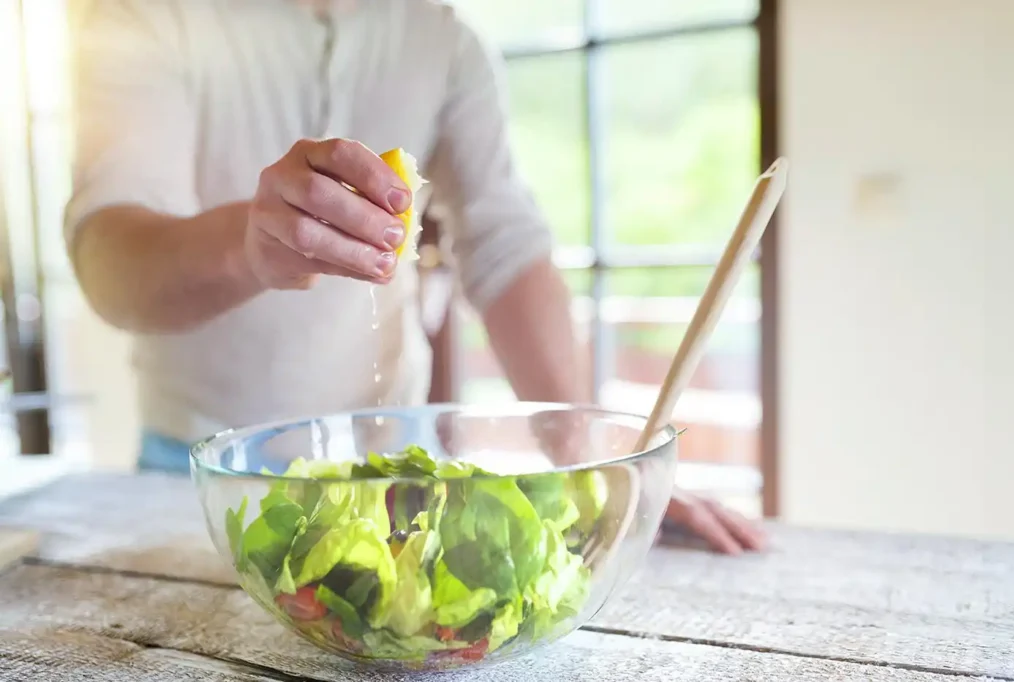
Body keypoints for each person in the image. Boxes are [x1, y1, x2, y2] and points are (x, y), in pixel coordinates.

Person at [66, 0, 764, 556]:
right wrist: (251, 245)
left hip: (395, 476)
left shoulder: (441, 39)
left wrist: (592, 466)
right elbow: (107, 260)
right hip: (198, 484)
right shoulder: (138, 14)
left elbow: (507, 248)